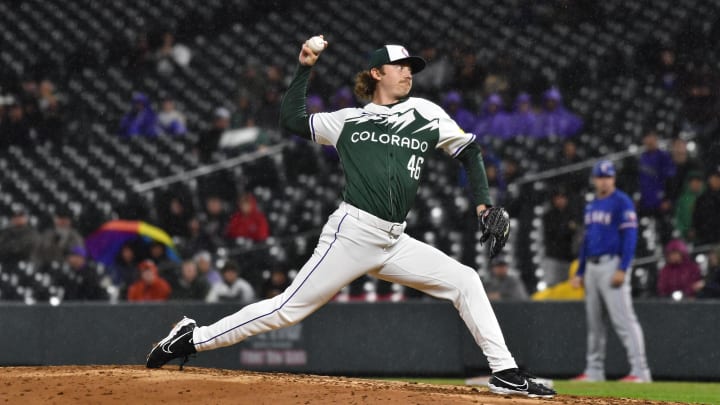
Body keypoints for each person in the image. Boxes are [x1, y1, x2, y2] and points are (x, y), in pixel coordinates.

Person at [146, 39, 555, 399]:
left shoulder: (427, 113)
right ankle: (190, 338)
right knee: (287, 309)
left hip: (394, 240)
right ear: (377, 73)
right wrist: (305, 66)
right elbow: (292, 120)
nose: (408, 73)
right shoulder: (347, 121)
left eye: (412, 68)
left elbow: (469, 150)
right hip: (353, 232)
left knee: (465, 280)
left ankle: (504, 372)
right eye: (400, 67)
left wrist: (483, 204)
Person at [571, 160, 652, 383]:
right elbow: (587, 241)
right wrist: (580, 271)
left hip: (611, 265)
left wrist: (623, 267)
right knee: (594, 325)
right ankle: (594, 370)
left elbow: (630, 237)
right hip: (592, 268)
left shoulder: (621, 201)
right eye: (601, 176)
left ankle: (640, 371)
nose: (604, 180)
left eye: (608, 176)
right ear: (595, 179)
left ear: (613, 178)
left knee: (624, 321)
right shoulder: (592, 204)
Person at [542, 188, 580, 288]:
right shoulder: (548, 215)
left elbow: (576, 232)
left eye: (562, 197)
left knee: (569, 287)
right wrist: (567, 228)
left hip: (569, 258)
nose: (560, 200)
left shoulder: (572, 213)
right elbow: (556, 234)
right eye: (557, 198)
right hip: (553, 257)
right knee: (553, 286)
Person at [690, 168, 720, 245]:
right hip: (705, 237)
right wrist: (694, 228)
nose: (716, 180)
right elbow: (696, 216)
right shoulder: (702, 198)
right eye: (714, 178)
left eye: (718, 178)